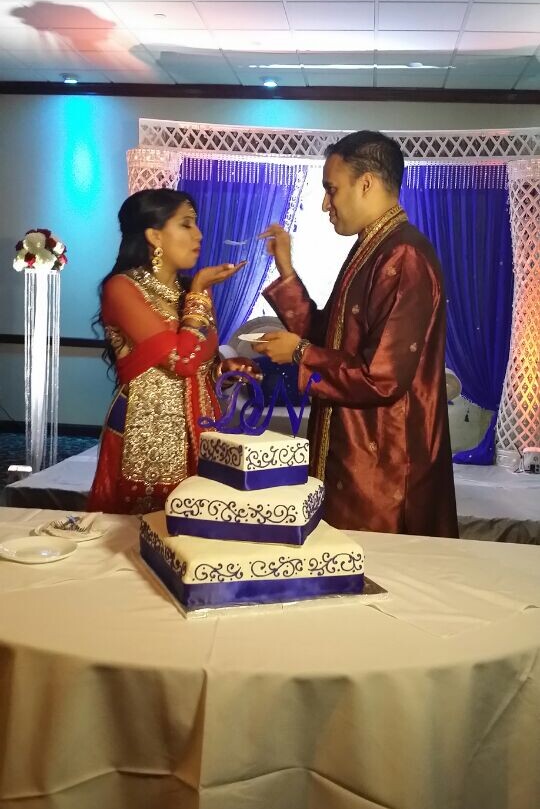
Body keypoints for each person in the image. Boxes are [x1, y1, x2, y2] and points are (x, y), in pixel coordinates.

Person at [257, 130, 458, 538]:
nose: (325, 204)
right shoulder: (374, 248)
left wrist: (300, 354)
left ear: (365, 184)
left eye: (331, 189)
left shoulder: (402, 255)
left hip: (383, 465)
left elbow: (382, 377)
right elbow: (328, 336)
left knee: (374, 567)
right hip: (354, 449)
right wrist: (287, 272)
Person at [88, 188, 256, 515]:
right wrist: (199, 291)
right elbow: (181, 361)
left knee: (196, 525)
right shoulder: (123, 288)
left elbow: (200, 366)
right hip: (144, 432)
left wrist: (226, 369)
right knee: (138, 531)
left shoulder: (191, 293)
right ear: (155, 236)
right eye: (186, 224)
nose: (199, 234)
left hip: (199, 430)